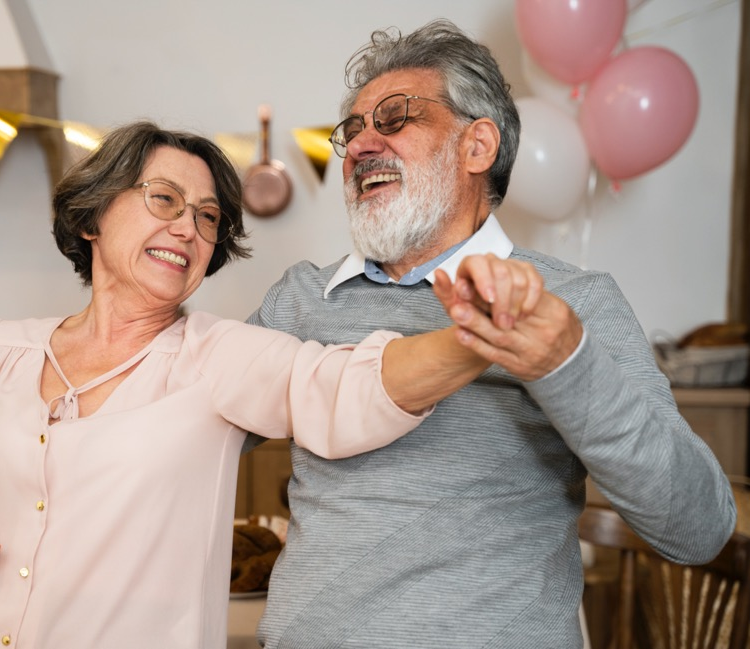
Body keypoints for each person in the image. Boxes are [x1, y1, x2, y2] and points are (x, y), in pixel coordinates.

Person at [0, 120, 543, 649]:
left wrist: (471, 337)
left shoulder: (216, 359)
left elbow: (343, 387)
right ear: (93, 215)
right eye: (164, 199)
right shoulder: (0, 351)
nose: (190, 228)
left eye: (208, 217)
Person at [241, 20, 737, 648]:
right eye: (352, 130)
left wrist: (566, 363)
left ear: (477, 147)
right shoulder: (301, 298)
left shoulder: (573, 301)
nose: (362, 144)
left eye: (394, 118)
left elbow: (697, 530)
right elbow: (194, 428)